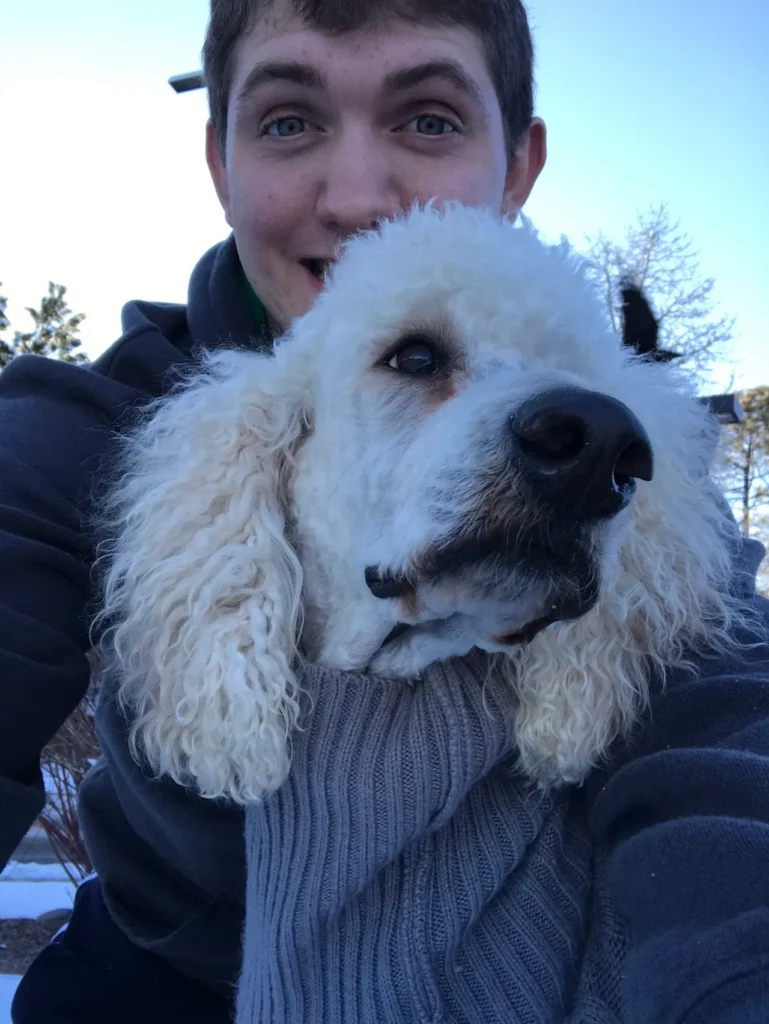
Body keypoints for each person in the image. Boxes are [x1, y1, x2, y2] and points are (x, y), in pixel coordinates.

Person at [2, 1, 768, 1021]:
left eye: (428, 119)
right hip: (165, 968)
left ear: (518, 163)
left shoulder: (645, 460)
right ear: (220, 162)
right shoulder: (85, 427)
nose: (359, 194)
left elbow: (728, 747)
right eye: (287, 120)